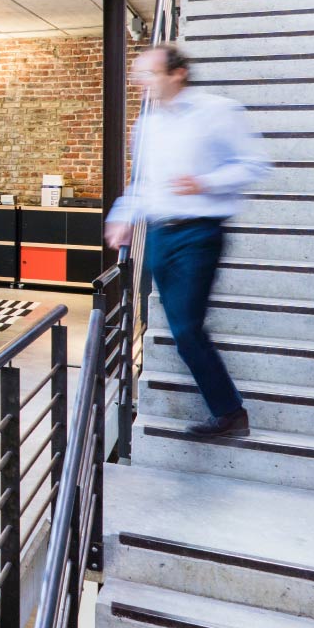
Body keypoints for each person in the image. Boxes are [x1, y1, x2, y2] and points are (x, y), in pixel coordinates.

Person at [105, 44, 269, 438]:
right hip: (159, 235)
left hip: (198, 233)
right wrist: (123, 215)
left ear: (177, 73)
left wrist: (204, 182)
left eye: (149, 74)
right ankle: (228, 409)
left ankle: (230, 412)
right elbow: (142, 182)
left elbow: (254, 164)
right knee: (183, 326)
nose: (141, 83)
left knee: (185, 327)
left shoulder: (217, 112)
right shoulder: (147, 125)